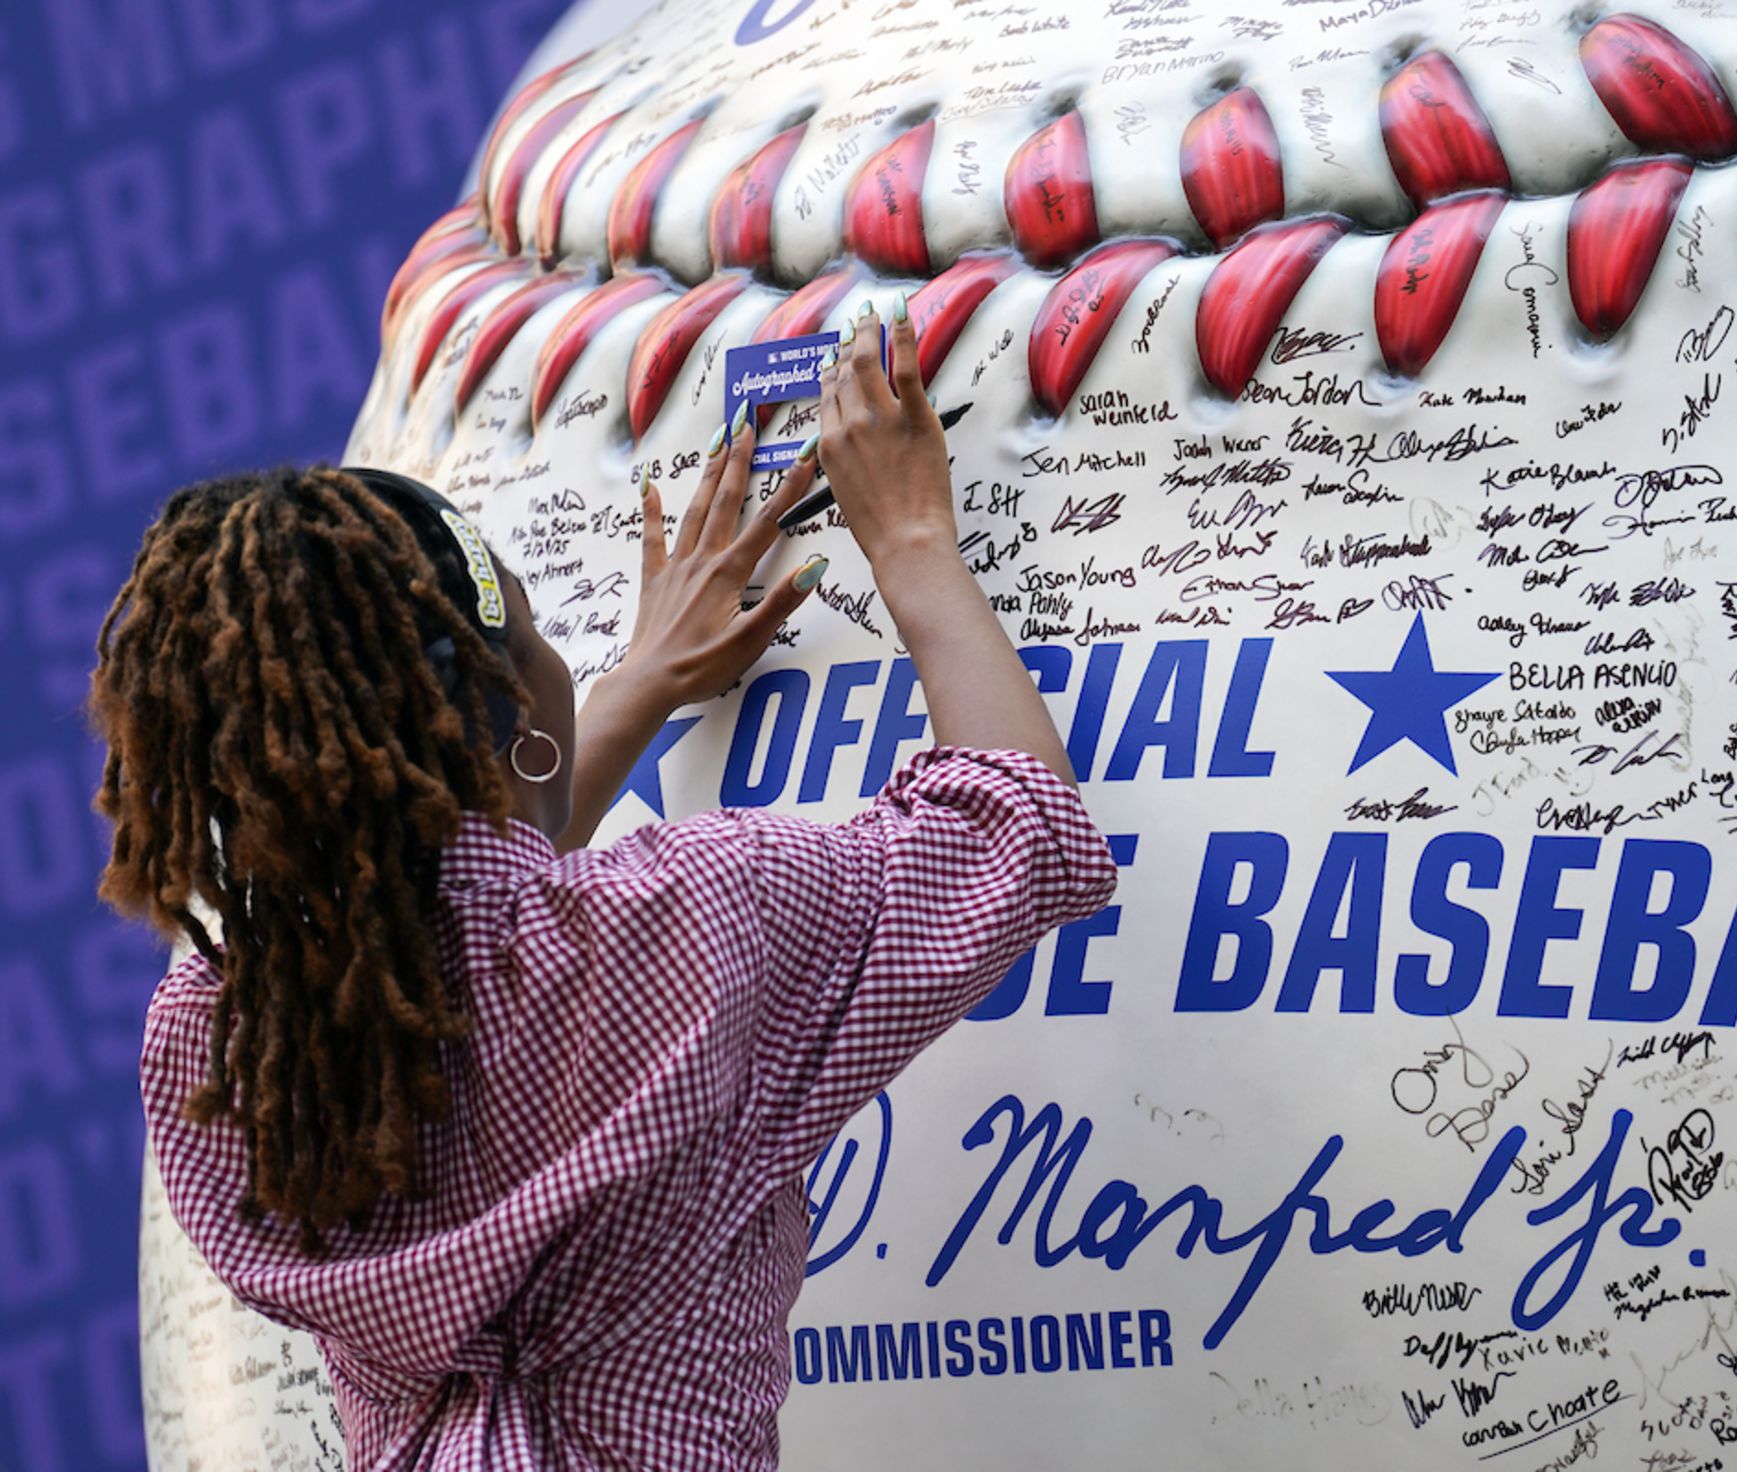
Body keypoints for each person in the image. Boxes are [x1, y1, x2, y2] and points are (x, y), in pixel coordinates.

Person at [95, 302, 1115, 1468]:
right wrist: (915, 536)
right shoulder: (704, 913)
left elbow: (440, 924)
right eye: (533, 631)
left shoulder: (218, 1043)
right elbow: (1018, 829)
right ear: (513, 703)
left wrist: (635, 681)